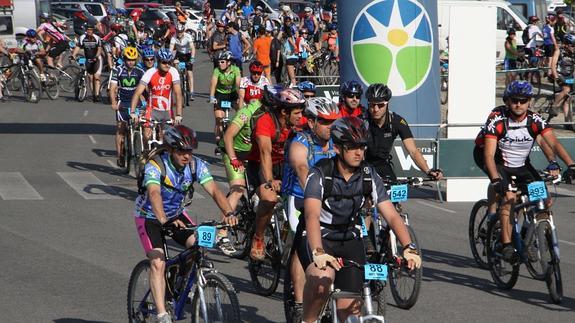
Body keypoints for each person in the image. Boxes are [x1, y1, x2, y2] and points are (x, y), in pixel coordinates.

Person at [300, 116, 421, 322]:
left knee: (349, 311)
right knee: (323, 280)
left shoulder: (368, 175)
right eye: (353, 147)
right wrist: (318, 251)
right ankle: (307, 320)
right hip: (319, 237)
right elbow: (311, 215)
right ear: (337, 148)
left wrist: (409, 247)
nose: (359, 152)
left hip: (350, 239)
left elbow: (391, 214)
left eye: (362, 147)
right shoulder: (320, 173)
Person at [134, 125, 238, 323]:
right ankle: (162, 314)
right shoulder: (156, 166)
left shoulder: (196, 165)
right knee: (158, 262)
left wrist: (229, 213)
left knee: (198, 246)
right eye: (181, 151)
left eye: (189, 152)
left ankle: (180, 283)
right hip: (149, 216)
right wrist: (163, 219)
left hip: (176, 215)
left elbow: (215, 191)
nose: (186, 156)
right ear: (171, 149)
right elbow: (154, 193)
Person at [479, 80, 575, 262]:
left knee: (543, 200)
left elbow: (552, 142)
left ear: (529, 101)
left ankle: (528, 236)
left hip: (522, 164)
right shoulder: (497, 121)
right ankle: (506, 244)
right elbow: (489, 155)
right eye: (514, 100)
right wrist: (495, 179)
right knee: (509, 198)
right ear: (507, 101)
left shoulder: (534, 120)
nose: (518, 104)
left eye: (523, 100)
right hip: (499, 162)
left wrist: (570, 164)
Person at [282, 97, 340, 317]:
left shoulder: (336, 142)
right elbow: (301, 167)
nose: (330, 127)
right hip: (298, 197)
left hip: (328, 200)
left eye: (334, 121)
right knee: (300, 241)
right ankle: (298, 302)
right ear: (311, 121)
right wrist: (315, 194)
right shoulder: (301, 141)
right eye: (325, 122)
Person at [248, 86, 306, 261]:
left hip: (286, 165)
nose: (300, 117)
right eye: (296, 113)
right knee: (270, 198)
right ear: (283, 112)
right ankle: (258, 238)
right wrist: (270, 181)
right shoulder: (265, 121)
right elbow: (265, 153)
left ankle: (284, 237)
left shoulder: (300, 123)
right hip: (260, 165)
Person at [365, 83, 443, 181]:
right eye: (372, 105)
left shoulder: (397, 121)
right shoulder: (360, 121)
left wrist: (428, 171)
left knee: (392, 191)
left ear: (387, 104)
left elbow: (413, 151)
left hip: (382, 164)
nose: (375, 109)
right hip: (361, 164)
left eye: (380, 105)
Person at [130, 48, 184, 146]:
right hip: (152, 110)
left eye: (169, 62)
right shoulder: (150, 72)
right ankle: (145, 157)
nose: (167, 65)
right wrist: (133, 112)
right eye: (164, 62)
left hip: (167, 111)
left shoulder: (173, 72)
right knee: (147, 136)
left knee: (167, 140)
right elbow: (137, 92)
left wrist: (178, 114)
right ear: (158, 62)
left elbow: (178, 94)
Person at [110, 46, 146, 167]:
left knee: (139, 125)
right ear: (124, 59)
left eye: (133, 59)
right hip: (123, 103)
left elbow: (146, 88)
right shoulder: (117, 70)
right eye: (128, 59)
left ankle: (137, 145)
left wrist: (146, 99)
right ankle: (119, 154)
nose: (131, 62)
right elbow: (112, 88)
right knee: (121, 129)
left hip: (136, 103)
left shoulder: (140, 71)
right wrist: (114, 103)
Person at [209, 51, 242, 156]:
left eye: (222, 62)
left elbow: (238, 84)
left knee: (241, 112)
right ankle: (219, 143)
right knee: (219, 119)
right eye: (219, 62)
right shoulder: (217, 71)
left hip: (232, 94)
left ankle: (240, 138)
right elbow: (213, 85)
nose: (220, 64)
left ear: (228, 63)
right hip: (220, 95)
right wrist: (212, 97)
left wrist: (241, 98)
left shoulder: (236, 70)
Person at [72, 24, 103, 102]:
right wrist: (73, 55)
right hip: (88, 59)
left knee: (96, 77)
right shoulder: (82, 37)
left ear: (93, 31)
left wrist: (96, 57)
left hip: (96, 58)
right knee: (90, 77)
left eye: (91, 30)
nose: (89, 31)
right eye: (88, 29)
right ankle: (93, 94)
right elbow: (78, 47)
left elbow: (99, 49)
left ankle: (97, 95)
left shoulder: (97, 38)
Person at [170, 24, 196, 101]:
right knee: (176, 67)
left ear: (183, 31)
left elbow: (193, 48)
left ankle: (191, 92)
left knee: (189, 72)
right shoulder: (174, 37)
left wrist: (192, 58)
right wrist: (170, 58)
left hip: (188, 54)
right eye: (178, 31)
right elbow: (171, 50)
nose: (179, 33)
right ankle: (180, 79)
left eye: (181, 31)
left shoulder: (188, 36)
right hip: (179, 55)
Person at [554, 33, 575, 129]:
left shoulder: (573, 53)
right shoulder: (559, 51)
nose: (574, 47)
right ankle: (555, 106)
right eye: (572, 45)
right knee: (566, 90)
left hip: (569, 77)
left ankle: (567, 123)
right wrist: (556, 77)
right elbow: (553, 65)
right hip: (559, 75)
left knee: (567, 98)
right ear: (566, 44)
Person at [282, 18, 298, 87]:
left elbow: (290, 40)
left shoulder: (289, 37)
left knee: (292, 78)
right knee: (292, 76)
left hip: (290, 56)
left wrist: (295, 47)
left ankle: (294, 87)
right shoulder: (294, 36)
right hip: (294, 56)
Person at [542, 14, 558, 80]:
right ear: (551, 21)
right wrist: (556, 45)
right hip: (550, 44)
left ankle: (546, 70)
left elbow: (543, 35)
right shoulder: (551, 28)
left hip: (545, 44)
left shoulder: (544, 27)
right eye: (554, 21)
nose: (555, 22)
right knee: (550, 59)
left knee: (546, 58)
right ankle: (549, 72)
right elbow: (552, 37)